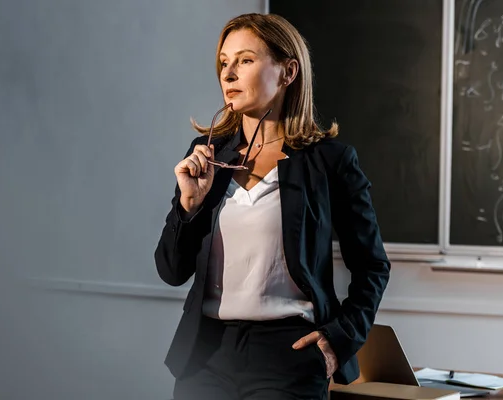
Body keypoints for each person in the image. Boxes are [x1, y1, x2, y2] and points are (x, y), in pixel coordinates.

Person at [155, 13, 390, 400]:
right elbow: (170, 271)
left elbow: (372, 266)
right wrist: (188, 205)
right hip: (206, 356)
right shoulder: (206, 158)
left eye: (245, 60)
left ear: (288, 71)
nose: (228, 74)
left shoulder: (330, 162)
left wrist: (341, 337)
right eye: (223, 62)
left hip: (289, 356)